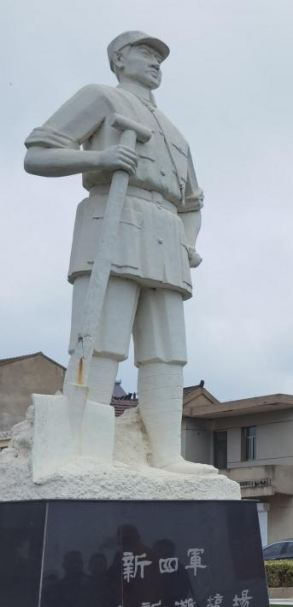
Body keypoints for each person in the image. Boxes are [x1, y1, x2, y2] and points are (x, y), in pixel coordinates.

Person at [24, 32, 212, 475]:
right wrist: (101, 158)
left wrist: (189, 243)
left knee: (167, 351)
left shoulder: (177, 134)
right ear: (119, 59)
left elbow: (193, 202)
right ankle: (86, 450)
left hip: (165, 234)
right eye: (145, 53)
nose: (155, 62)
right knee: (101, 340)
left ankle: (166, 454)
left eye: (159, 57)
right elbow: (38, 155)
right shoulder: (102, 98)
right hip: (113, 216)